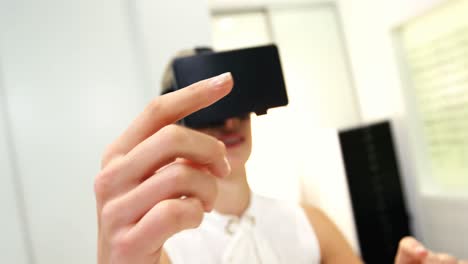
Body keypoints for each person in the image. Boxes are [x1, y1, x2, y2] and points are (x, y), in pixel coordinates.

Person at [94, 49, 468, 263]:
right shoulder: (162, 247)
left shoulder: (310, 223)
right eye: (208, 111)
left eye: (237, 106)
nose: (228, 121)